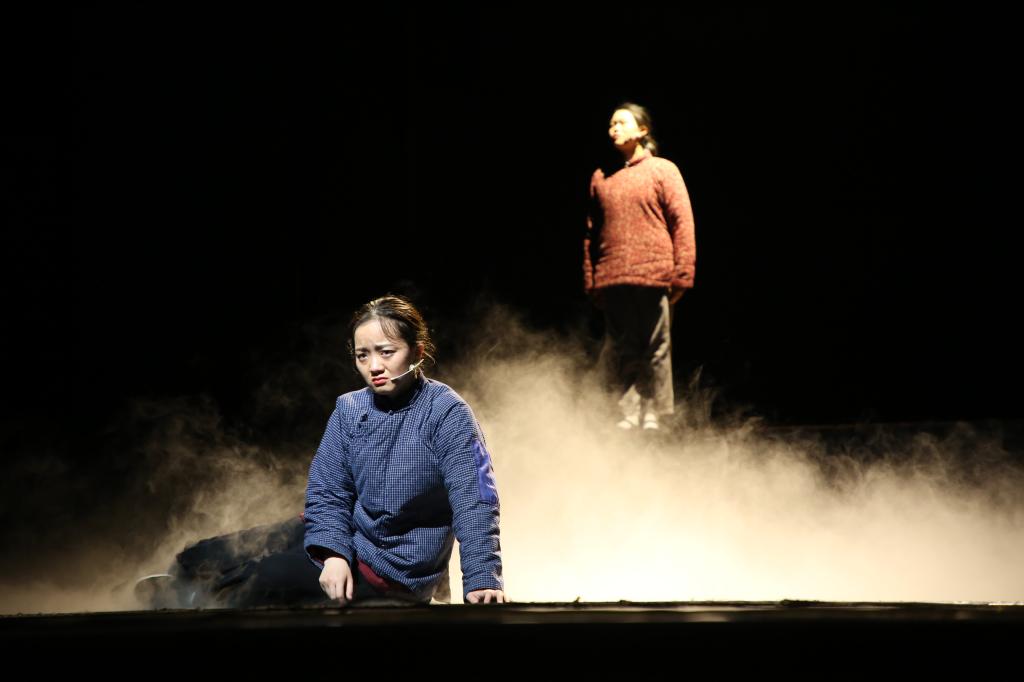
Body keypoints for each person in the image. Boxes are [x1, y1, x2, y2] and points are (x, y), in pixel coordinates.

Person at [304, 295, 505, 604]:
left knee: (254, 580)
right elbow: (328, 490)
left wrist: (481, 578)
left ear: (417, 352)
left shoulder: (446, 413)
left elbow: (475, 500)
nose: (374, 366)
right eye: (362, 355)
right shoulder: (349, 409)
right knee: (232, 553)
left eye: (386, 352)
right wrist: (333, 554)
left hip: (393, 573)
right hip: (348, 546)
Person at [583, 102, 696, 431]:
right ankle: (630, 411)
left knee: (655, 346)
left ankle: (655, 412)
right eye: (611, 124)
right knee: (622, 347)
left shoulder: (662, 170)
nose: (614, 129)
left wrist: (683, 273)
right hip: (613, 275)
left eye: (621, 122)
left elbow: (682, 221)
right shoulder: (602, 177)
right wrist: (591, 279)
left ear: (642, 130)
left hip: (653, 273)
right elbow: (590, 233)